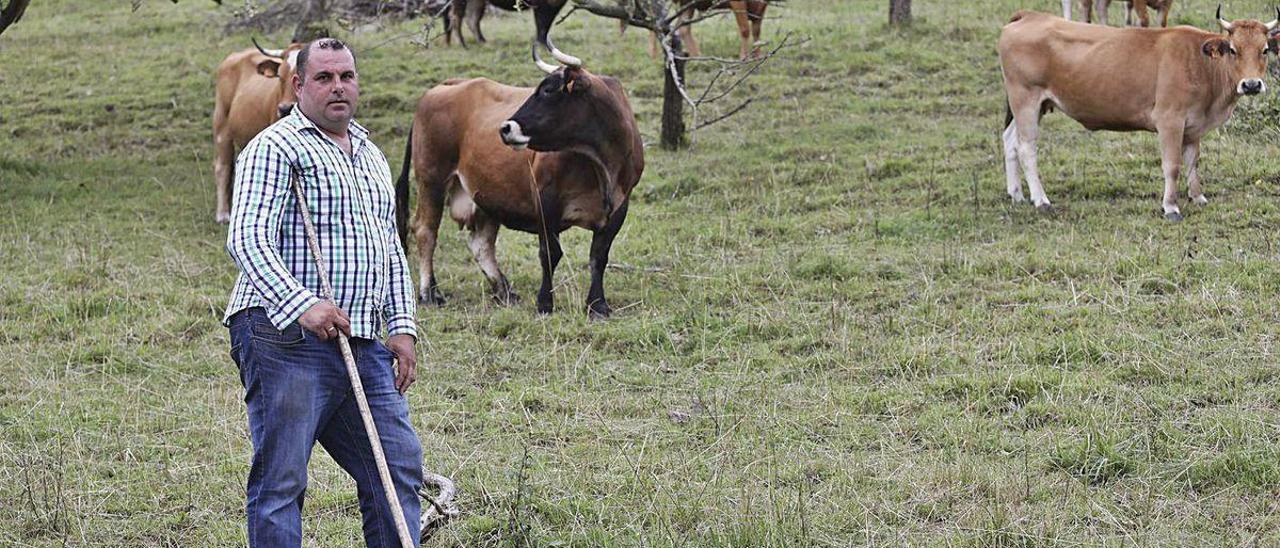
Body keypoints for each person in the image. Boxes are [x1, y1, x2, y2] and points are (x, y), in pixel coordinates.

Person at [223, 37, 423, 547]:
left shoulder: (372, 156)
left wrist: (400, 327)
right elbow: (246, 237)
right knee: (283, 480)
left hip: (360, 340)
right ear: (298, 84)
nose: (338, 87)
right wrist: (302, 304)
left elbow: (389, 248)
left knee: (396, 465)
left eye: (346, 77)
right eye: (324, 77)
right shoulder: (276, 147)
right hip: (284, 338)